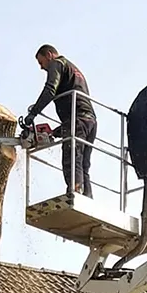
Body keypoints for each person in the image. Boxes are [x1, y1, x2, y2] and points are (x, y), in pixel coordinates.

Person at [21, 45, 97, 198]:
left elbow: (50, 90)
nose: (42, 68)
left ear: (49, 55)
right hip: (90, 121)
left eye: (42, 63)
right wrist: (53, 132)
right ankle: (87, 196)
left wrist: (33, 114)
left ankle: (74, 193)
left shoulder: (57, 64)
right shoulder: (73, 69)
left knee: (71, 158)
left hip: (77, 120)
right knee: (83, 163)